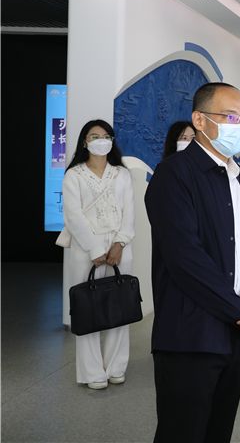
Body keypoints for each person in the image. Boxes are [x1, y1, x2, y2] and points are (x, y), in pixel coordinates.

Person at [145, 82, 240, 443]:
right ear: (199, 120)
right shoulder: (173, 175)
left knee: (219, 430)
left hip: (237, 333)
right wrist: (239, 311)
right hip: (190, 335)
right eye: (230, 117)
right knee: (182, 433)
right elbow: (185, 258)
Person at [62, 119, 135, 390]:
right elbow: (73, 216)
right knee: (87, 309)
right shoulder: (74, 175)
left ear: (112, 141)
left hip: (119, 248)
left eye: (105, 136)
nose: (100, 140)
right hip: (86, 249)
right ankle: (92, 372)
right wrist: (95, 248)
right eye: (94, 136)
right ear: (85, 141)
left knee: (120, 306)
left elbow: (129, 213)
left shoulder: (122, 174)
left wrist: (119, 243)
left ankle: (116, 367)